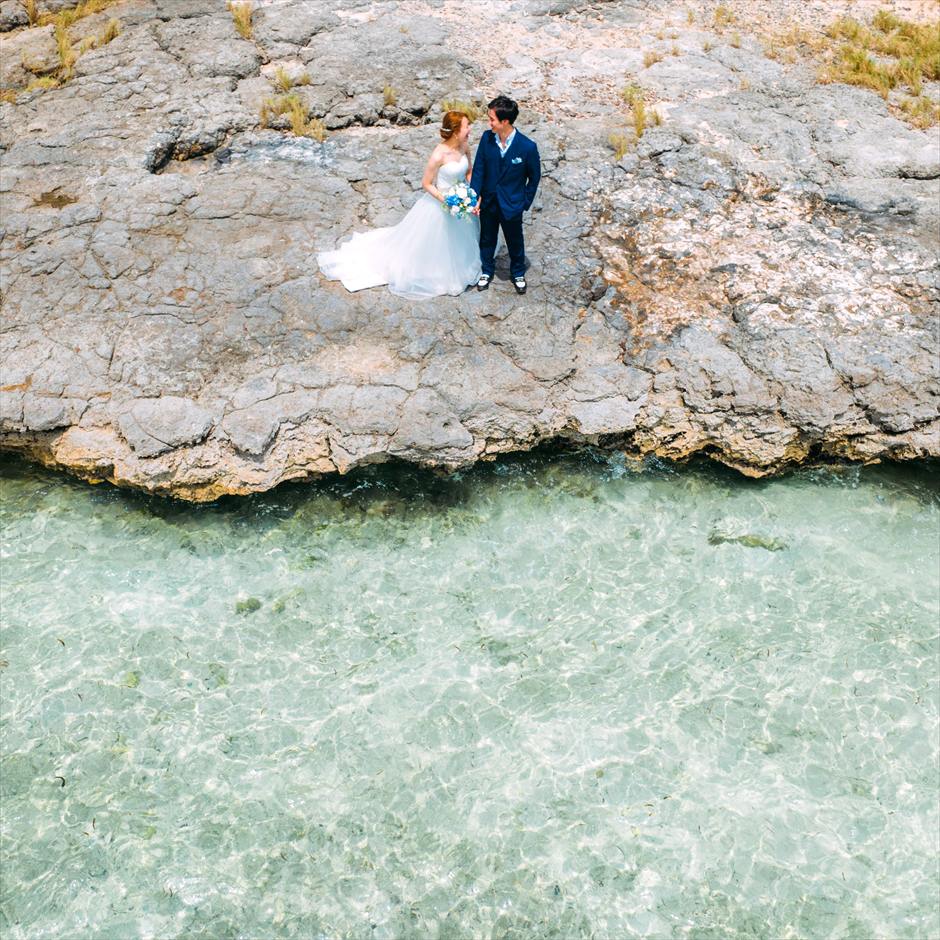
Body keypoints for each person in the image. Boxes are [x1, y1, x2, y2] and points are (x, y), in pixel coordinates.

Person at [316, 111, 481, 299]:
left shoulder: (464, 146)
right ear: (455, 131)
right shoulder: (438, 155)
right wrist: (448, 201)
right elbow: (426, 184)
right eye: (466, 126)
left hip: (461, 202)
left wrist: (470, 193)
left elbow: (469, 171)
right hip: (442, 203)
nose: (470, 129)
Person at [469, 95, 541, 295]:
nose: (488, 123)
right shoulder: (486, 138)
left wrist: (524, 203)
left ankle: (518, 272)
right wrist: (474, 197)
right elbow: (479, 169)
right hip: (489, 202)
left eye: (492, 119)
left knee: (514, 239)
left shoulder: (527, 147)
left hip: (512, 204)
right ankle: (486, 270)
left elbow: (534, 178)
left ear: (505, 121)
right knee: (487, 237)